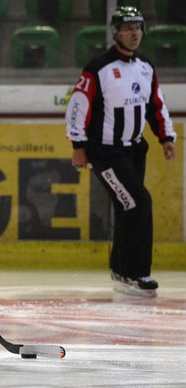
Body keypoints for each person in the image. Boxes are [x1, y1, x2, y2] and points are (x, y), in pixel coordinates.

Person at [65, 7, 177, 298]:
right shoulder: (98, 68)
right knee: (139, 203)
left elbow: (156, 105)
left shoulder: (145, 67)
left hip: (134, 150)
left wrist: (166, 136)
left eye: (138, 28)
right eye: (128, 28)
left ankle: (121, 272)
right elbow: (78, 106)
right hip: (106, 152)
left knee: (128, 208)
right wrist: (78, 144)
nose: (134, 33)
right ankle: (136, 273)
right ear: (116, 33)